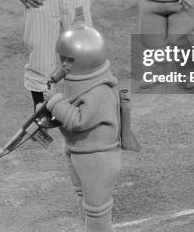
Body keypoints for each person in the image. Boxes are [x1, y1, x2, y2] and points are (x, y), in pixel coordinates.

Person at [43, 23, 121, 232]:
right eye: (63, 58)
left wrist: (55, 103)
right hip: (80, 151)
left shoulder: (100, 91)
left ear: (88, 59)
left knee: (97, 209)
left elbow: (79, 121)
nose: (65, 65)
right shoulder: (83, 82)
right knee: (82, 197)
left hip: (97, 158)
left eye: (70, 59)